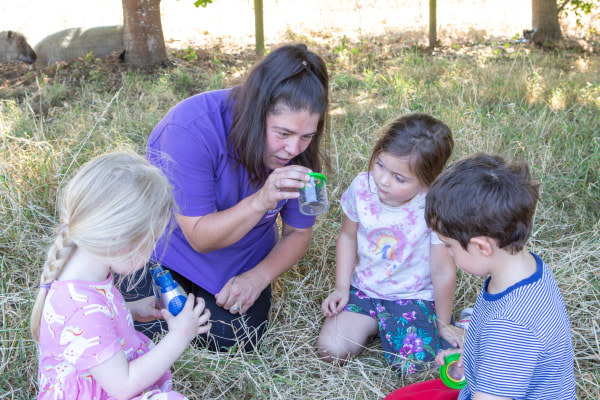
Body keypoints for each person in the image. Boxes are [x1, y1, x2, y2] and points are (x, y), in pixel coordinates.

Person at [134, 43, 330, 351]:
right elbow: (199, 237)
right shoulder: (190, 129)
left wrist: (257, 278)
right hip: (169, 250)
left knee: (232, 337)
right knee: (143, 320)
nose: (294, 150)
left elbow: (299, 232)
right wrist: (261, 201)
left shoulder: (300, 153)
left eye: (307, 136)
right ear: (255, 112)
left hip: (240, 263)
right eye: (283, 134)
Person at [386, 153, 576, 399]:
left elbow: (506, 347)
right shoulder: (527, 270)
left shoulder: (509, 328)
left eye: (449, 245)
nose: (447, 251)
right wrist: (473, 353)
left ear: (482, 247)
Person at [30, 152, 212, 400]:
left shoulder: (84, 267)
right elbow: (123, 385)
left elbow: (97, 318)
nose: (151, 254)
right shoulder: (81, 310)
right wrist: (180, 335)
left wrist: (131, 309)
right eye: (150, 243)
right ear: (121, 243)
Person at [317, 113, 464, 374]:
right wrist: (342, 287)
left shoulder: (433, 206)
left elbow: (442, 269)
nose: (383, 180)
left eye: (399, 178)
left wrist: (443, 323)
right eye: (381, 164)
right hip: (365, 291)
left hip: (412, 296)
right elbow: (348, 236)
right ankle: (375, 323)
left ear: (427, 179)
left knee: (417, 366)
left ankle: (466, 322)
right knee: (331, 349)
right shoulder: (362, 188)